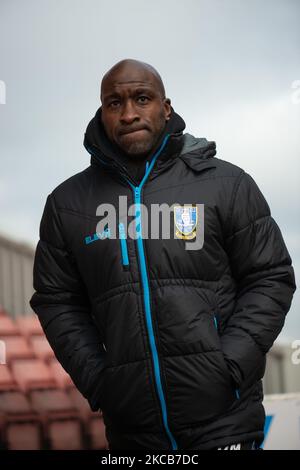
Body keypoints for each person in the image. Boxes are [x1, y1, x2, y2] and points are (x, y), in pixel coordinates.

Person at [30, 59, 296, 450]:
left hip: (225, 423)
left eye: (142, 98)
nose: (129, 113)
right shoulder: (67, 205)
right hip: (133, 434)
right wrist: (101, 381)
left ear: (166, 107)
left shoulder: (226, 184)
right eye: (114, 103)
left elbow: (271, 277)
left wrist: (231, 365)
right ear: (102, 112)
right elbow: (57, 301)